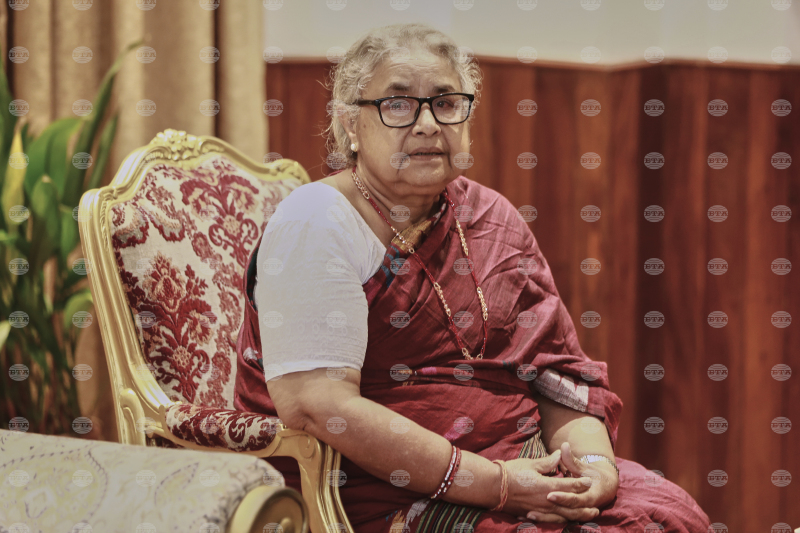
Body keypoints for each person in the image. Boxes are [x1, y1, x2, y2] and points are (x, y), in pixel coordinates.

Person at [234, 22, 711, 533]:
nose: (426, 124)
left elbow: (559, 377)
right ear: (351, 124)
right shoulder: (316, 220)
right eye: (398, 105)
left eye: (445, 103)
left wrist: (594, 471)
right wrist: (496, 484)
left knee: (667, 512)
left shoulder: (489, 216)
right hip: (382, 495)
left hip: (525, 465)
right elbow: (317, 405)